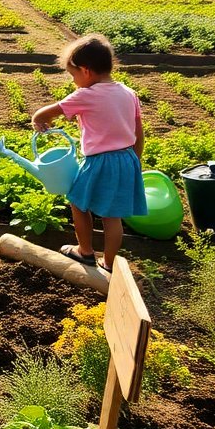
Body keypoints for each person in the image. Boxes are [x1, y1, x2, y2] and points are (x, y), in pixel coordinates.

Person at [29, 33, 146, 273]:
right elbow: (139, 132)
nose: (73, 81)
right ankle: (109, 264)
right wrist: (136, 160)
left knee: (77, 202)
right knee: (113, 217)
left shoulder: (86, 95)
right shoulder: (128, 93)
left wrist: (38, 121)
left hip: (99, 160)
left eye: (73, 75)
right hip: (127, 158)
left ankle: (85, 251)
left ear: (86, 71)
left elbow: (44, 114)